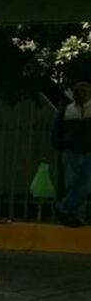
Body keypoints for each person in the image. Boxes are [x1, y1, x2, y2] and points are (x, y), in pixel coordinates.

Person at [52, 81, 91, 227]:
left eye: (83, 92)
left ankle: (64, 207)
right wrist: (61, 145)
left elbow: (56, 130)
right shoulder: (67, 110)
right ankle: (76, 216)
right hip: (71, 152)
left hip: (84, 152)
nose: (80, 95)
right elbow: (56, 130)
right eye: (77, 92)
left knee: (85, 185)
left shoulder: (67, 111)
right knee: (74, 185)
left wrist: (60, 145)